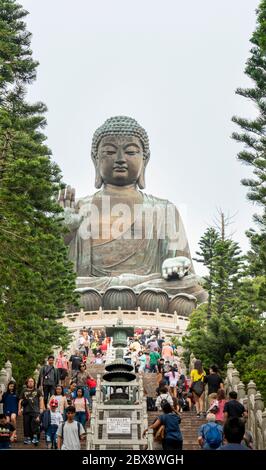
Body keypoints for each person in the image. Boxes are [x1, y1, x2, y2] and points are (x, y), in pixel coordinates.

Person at [18, 377, 44, 445]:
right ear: (27, 383)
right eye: (29, 381)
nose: (30, 382)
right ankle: (27, 438)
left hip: (35, 410)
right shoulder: (24, 390)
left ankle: (35, 437)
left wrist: (41, 408)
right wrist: (19, 409)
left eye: (32, 381)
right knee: (26, 425)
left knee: (35, 424)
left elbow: (41, 399)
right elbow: (20, 400)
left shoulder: (38, 390)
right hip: (26, 410)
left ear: (34, 382)